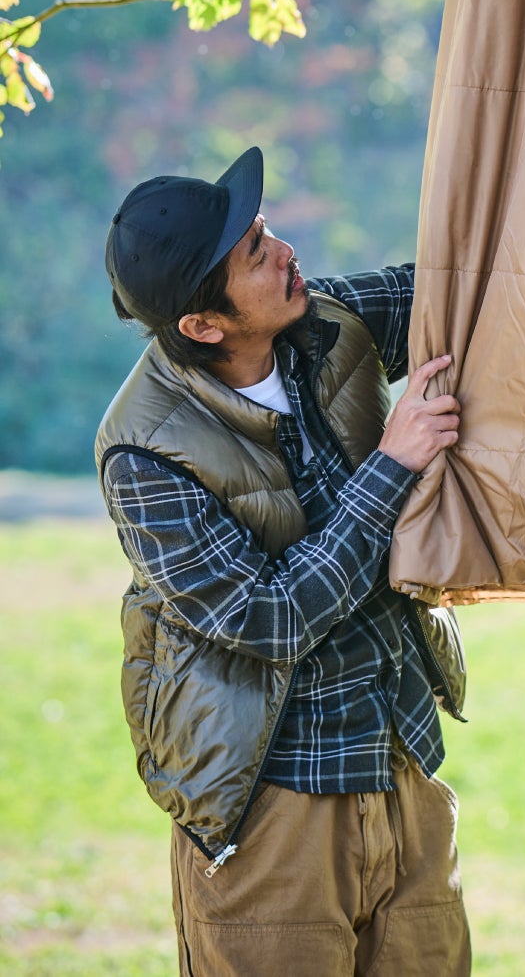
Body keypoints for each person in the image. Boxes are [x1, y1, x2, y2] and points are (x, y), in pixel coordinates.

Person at [96, 145, 472, 976]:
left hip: (397, 761)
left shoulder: (322, 321)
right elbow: (269, 618)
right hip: (272, 809)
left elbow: (464, 285)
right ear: (203, 324)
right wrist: (394, 466)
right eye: (256, 252)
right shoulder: (144, 454)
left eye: (266, 230)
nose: (286, 249)